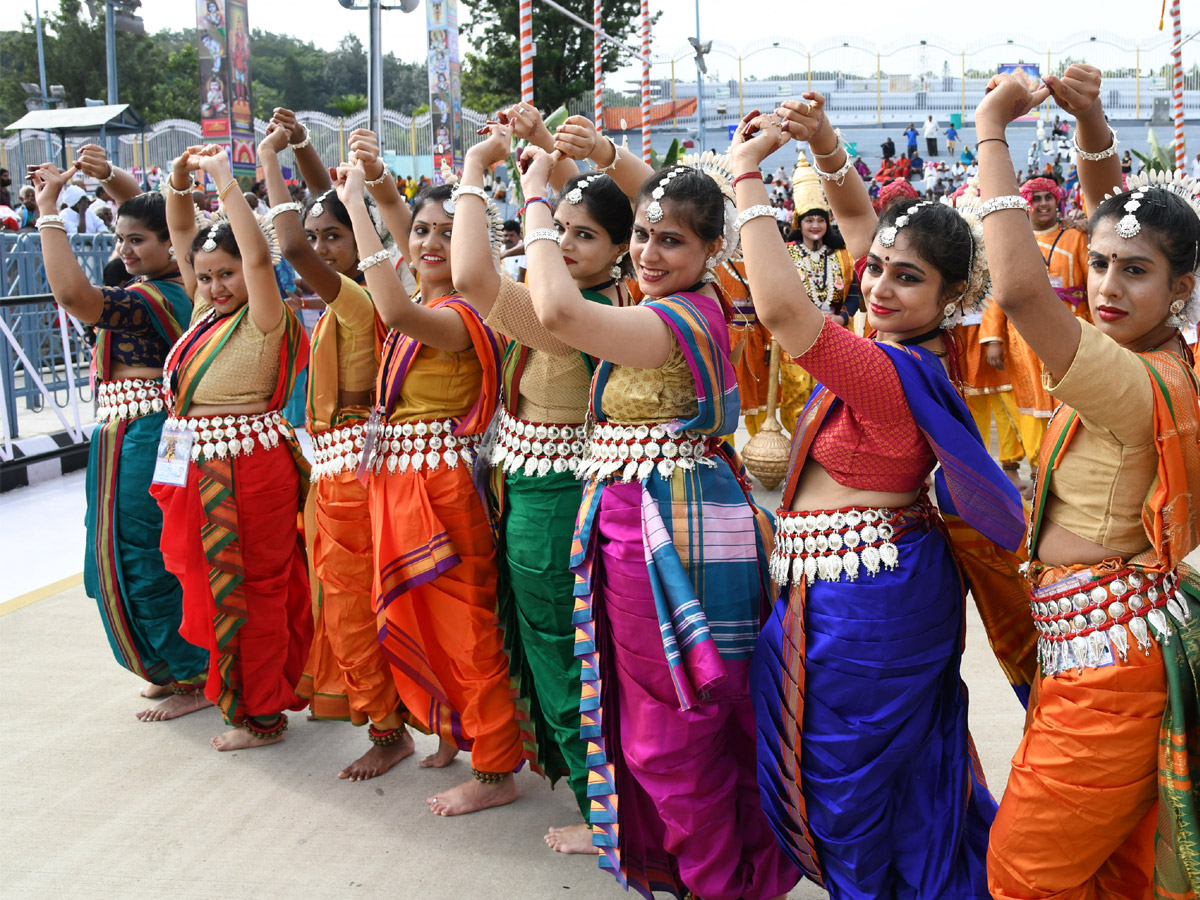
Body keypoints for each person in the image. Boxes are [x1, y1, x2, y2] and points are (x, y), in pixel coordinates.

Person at [740, 97, 1029, 899]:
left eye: (910, 278)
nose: (881, 286)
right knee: (881, 780)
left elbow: (780, 310)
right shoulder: (891, 340)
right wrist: (826, 143)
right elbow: (862, 224)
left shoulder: (891, 372)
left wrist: (745, 177)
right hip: (852, 591)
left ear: (953, 295)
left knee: (850, 782)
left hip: (870, 606)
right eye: (876, 271)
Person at [549, 115, 802, 900]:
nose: (648, 253)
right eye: (643, 236)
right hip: (670, 518)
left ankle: (716, 882)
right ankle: (713, 872)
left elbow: (556, 314)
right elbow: (663, 202)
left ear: (709, 253)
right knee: (683, 715)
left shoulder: (673, 318)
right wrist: (600, 154)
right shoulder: (687, 298)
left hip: (664, 535)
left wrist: (531, 199)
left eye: (671, 243)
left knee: (673, 727)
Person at [976, 66, 1200, 900]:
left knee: (1024, 874)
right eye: (1099, 264)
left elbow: (1020, 288)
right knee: (1105, 871)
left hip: (1109, 674)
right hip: (1097, 651)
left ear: (1181, 289)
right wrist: (1093, 123)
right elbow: (1119, 230)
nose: (1106, 285)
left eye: (1134, 273)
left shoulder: (1137, 385)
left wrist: (991, 129)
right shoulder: (1161, 353)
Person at [453, 104, 631, 852]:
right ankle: (601, 797)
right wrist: (549, 154)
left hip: (554, 502)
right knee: (573, 646)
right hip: (543, 491)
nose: (561, 244)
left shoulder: (570, 313)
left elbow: (468, 274)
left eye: (583, 235)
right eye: (560, 229)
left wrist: (478, 170)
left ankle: (603, 815)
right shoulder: (611, 303)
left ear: (623, 250)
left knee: (564, 647)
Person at [342, 159, 531, 817]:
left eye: (448, 233)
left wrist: (354, 206)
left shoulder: (463, 316)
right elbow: (404, 268)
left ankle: (495, 770)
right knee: (419, 623)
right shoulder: (431, 300)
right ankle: (458, 732)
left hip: (441, 491)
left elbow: (387, 304)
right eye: (420, 230)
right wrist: (375, 185)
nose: (426, 243)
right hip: (401, 483)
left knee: (464, 632)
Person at [258, 109, 413, 781]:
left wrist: (267, 160)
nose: (320, 249)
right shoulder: (350, 297)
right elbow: (325, 221)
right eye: (317, 237)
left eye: (335, 239)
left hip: (354, 482)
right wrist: (304, 151)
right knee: (345, 606)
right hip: (337, 475)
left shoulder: (356, 301)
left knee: (351, 609)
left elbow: (291, 246)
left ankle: (389, 729)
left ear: (361, 242)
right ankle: (392, 719)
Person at [30, 151, 210, 718]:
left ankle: (189, 673)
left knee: (143, 552)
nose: (124, 251)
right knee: (131, 545)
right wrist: (111, 180)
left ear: (168, 246)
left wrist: (49, 214)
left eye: (136, 242)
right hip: (132, 433)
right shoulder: (176, 281)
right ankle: (163, 662)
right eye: (118, 240)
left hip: (148, 433)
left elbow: (74, 299)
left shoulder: (156, 295)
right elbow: (146, 214)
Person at [153, 143, 313, 751]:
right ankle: (244, 700)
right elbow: (180, 230)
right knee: (218, 588)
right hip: (201, 463)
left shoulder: (263, 315)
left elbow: (254, 256)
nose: (219, 284)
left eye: (228, 274)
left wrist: (224, 179)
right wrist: (176, 180)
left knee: (252, 592)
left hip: (249, 468)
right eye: (208, 275)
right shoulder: (204, 313)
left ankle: (262, 714)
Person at [778, 153, 856, 432]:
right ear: (799, 223)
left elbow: (855, 291)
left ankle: (827, 445)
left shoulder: (842, 256)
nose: (815, 226)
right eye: (809, 220)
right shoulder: (785, 255)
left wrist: (844, 318)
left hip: (835, 334)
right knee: (797, 394)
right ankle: (799, 443)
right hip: (797, 337)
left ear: (827, 223)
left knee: (833, 393)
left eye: (820, 220)